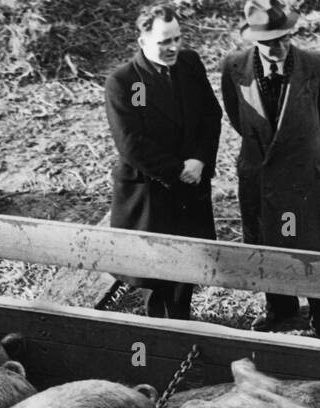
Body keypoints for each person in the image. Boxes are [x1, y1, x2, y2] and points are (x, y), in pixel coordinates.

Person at [220, 0, 320, 340]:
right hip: (260, 174)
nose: (279, 47)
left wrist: (299, 143)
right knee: (268, 244)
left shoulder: (319, 65)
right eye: (270, 41)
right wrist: (267, 150)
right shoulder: (233, 66)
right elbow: (238, 117)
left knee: (314, 248)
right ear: (253, 40)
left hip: (306, 174)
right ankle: (281, 309)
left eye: (285, 38)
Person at [104, 4, 222, 320]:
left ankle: (182, 317)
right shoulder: (123, 82)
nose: (173, 48)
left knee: (188, 261)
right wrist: (177, 170)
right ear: (143, 41)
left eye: (177, 39)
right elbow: (131, 143)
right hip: (151, 189)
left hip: (191, 183)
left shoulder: (190, 64)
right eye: (164, 42)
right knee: (155, 272)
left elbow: (211, 114)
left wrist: (199, 160)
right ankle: (158, 329)